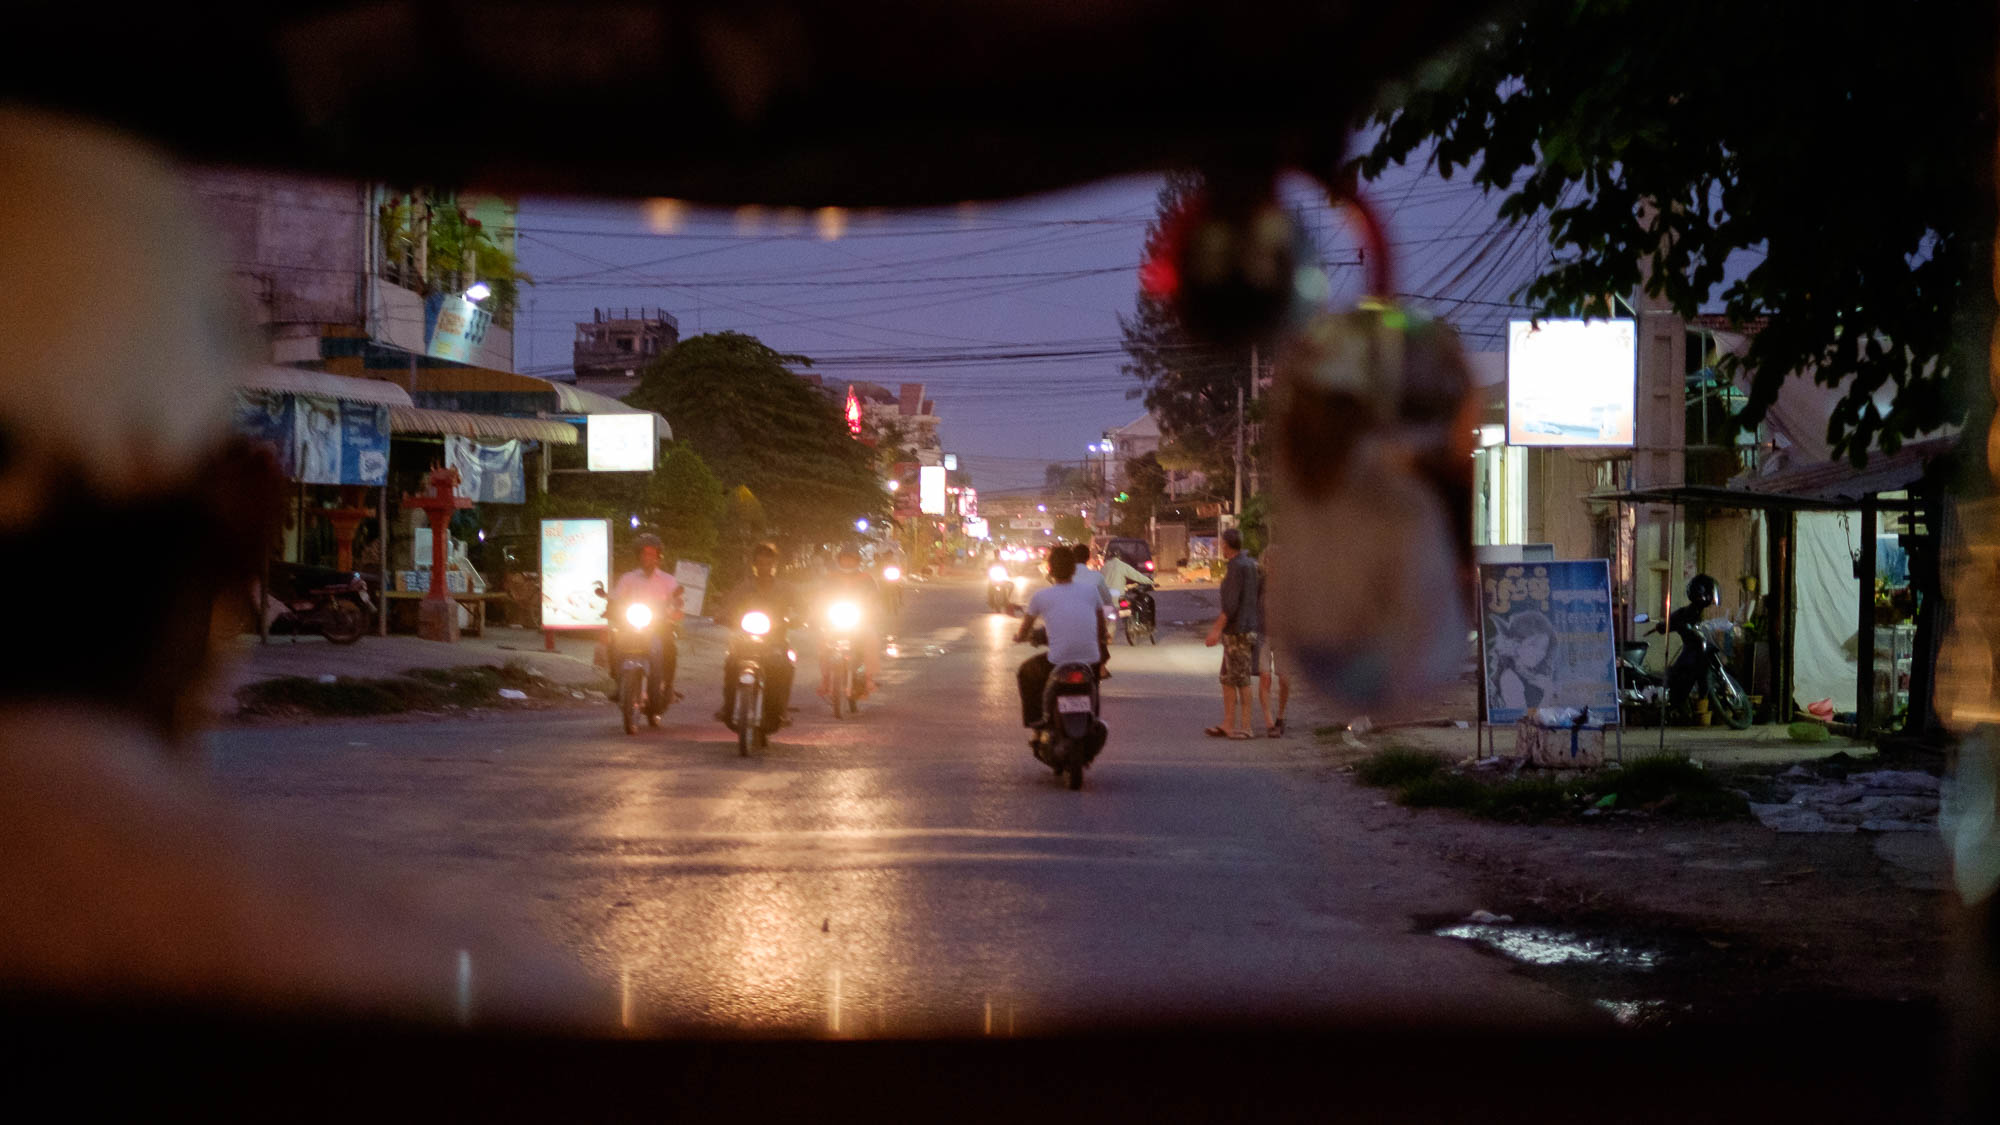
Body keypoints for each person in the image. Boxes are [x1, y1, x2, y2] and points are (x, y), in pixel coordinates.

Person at [1014, 545, 1108, 743]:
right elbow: (1101, 628)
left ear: (1050, 569)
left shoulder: (1041, 596)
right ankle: (1094, 716)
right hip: (1090, 658)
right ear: (1074, 568)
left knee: (1026, 672)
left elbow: (1025, 629)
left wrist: (1020, 637)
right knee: (1093, 680)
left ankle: (1036, 719)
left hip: (1058, 661)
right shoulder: (1091, 591)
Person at [715, 542, 799, 730]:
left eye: (768, 564)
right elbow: (729, 605)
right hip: (746, 639)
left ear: (774, 566)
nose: (764, 568)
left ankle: (780, 709)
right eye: (760, 564)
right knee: (731, 663)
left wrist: (798, 618)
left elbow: (800, 608)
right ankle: (728, 706)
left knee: (785, 666)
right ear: (754, 565)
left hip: (775, 639)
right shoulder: (743, 588)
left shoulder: (786, 589)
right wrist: (722, 614)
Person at [609, 532, 683, 724]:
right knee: (614, 644)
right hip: (632, 626)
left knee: (670, 649)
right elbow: (617, 599)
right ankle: (620, 683)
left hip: (658, 627)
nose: (646, 558)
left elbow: (677, 601)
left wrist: (675, 612)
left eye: (651, 554)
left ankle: (666, 686)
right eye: (643, 554)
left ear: (658, 556)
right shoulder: (628, 579)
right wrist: (611, 609)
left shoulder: (668, 580)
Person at [1203, 527, 1261, 739]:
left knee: (1241, 679)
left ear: (1226, 545)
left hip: (1239, 631)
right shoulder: (1249, 564)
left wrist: (1215, 631)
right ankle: (1228, 724)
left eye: (1222, 544)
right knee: (1227, 678)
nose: (1221, 547)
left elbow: (1230, 606)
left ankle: (1246, 727)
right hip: (1244, 628)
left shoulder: (1237, 567)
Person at [817, 545, 883, 698]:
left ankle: (868, 678)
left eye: (851, 559)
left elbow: (874, 598)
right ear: (840, 560)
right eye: (845, 559)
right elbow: (820, 597)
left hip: (859, 620)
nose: (848, 562)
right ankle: (825, 679)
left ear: (857, 561)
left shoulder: (866, 579)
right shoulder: (830, 578)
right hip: (834, 620)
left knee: (871, 639)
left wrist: (872, 609)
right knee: (823, 642)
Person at [1256, 546, 1290, 738]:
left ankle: (1281, 716)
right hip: (1263, 635)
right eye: (1269, 561)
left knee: (1284, 679)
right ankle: (1269, 722)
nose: (1272, 565)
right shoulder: (1260, 583)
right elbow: (1253, 605)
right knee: (1265, 677)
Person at [1070, 543, 1117, 679]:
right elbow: (1108, 601)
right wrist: (1111, 624)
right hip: (1093, 625)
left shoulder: (1065, 578)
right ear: (1088, 557)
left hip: (1069, 624)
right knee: (1101, 649)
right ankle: (1101, 669)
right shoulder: (1096, 577)